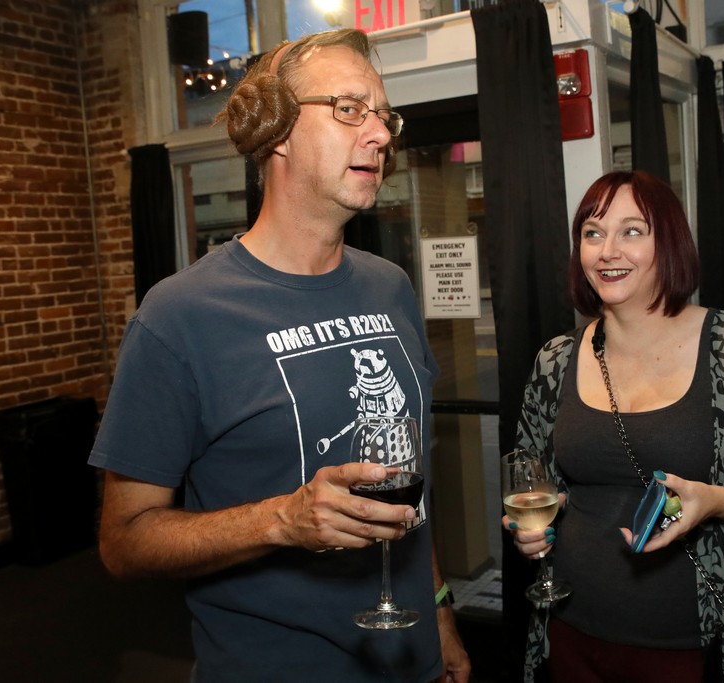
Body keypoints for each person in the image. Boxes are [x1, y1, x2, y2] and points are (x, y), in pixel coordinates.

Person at [88, 29, 470, 683]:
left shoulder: (390, 287)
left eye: (384, 115)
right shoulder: (180, 315)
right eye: (349, 109)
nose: (380, 134)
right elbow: (124, 541)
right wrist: (282, 521)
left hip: (410, 660)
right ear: (277, 131)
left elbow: (410, 487)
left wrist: (438, 612)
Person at [503, 170, 724, 682]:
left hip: (697, 644)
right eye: (592, 233)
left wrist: (715, 501)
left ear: (670, 243)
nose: (608, 251)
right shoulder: (555, 360)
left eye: (632, 231)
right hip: (572, 631)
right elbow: (534, 483)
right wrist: (531, 532)